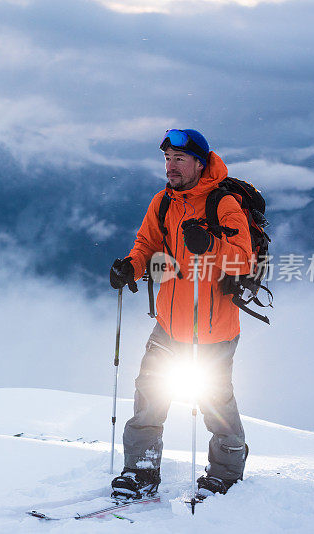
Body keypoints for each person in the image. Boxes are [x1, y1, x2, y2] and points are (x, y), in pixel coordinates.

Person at [108, 129, 251, 501]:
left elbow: (243, 260)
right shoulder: (163, 202)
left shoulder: (223, 205)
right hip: (169, 325)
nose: (170, 166)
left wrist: (212, 243)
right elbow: (147, 244)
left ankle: (225, 472)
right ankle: (140, 468)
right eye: (167, 158)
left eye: (179, 159)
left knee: (214, 401)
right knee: (150, 393)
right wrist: (131, 267)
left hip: (213, 328)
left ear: (199, 164)